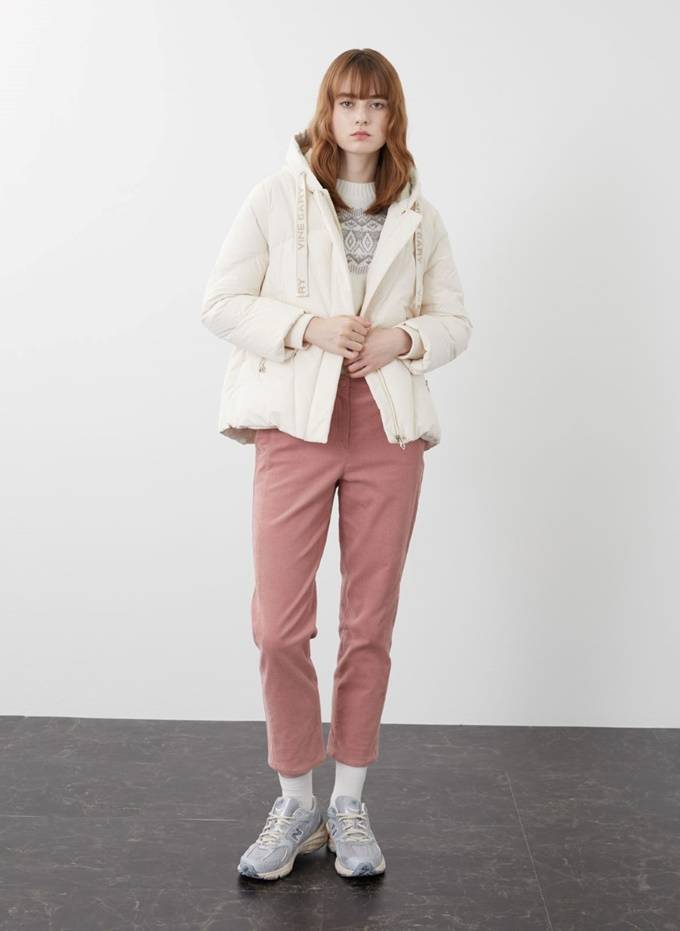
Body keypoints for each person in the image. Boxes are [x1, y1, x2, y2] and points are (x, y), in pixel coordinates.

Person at [200, 48, 473, 881]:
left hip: (387, 426)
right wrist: (307, 327)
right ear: (327, 110)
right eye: (348, 102)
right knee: (280, 624)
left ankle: (349, 801)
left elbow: (454, 320)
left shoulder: (419, 214)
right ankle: (296, 801)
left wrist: (404, 338)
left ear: (393, 117)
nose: (361, 117)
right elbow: (221, 303)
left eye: (376, 104)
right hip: (295, 422)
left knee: (369, 621)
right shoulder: (277, 197)